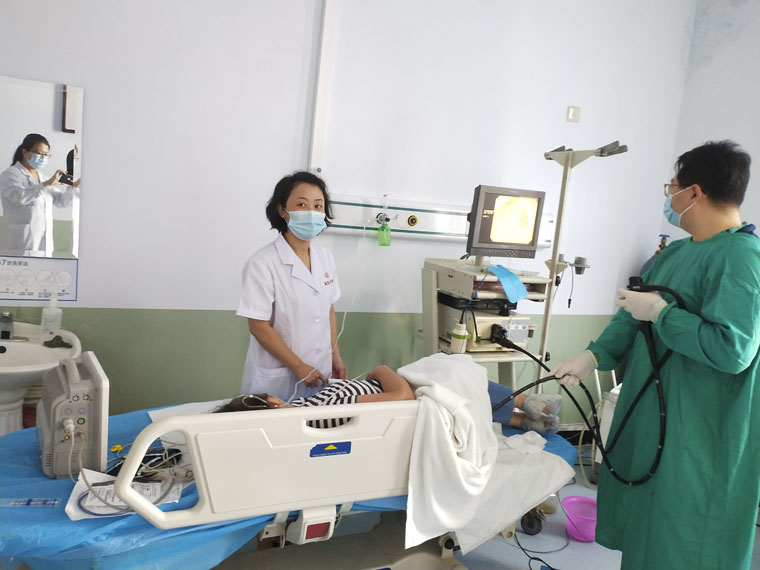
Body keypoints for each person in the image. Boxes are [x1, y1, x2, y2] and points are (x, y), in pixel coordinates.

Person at [551, 140, 760, 569]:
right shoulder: (677, 252)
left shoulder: (742, 259)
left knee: (682, 539)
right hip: (654, 415)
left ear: (695, 193)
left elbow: (733, 348)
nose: (670, 198)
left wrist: (664, 314)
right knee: (647, 528)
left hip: (701, 432)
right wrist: (593, 357)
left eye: (673, 188)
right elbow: (634, 315)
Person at [237, 171, 346, 402]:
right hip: (278, 378)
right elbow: (258, 326)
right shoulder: (262, 263)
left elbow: (328, 309)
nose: (312, 212)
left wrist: (334, 354)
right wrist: (299, 367)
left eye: (318, 206)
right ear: (282, 210)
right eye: (302, 204)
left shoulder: (325, 258)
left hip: (320, 372)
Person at [219, 363, 562, 434]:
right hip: (411, 401)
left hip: (400, 397)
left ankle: (523, 418)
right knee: (452, 370)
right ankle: (527, 404)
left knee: (453, 379)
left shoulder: (307, 406)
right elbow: (400, 395)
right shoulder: (320, 410)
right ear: (272, 402)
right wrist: (379, 371)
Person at [0, 133, 79, 256]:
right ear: (25, 152)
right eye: (39, 153)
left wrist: (73, 186)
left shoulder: (43, 178)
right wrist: (46, 184)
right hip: (19, 248)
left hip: (44, 248)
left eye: (46, 154)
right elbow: (20, 197)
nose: (43, 158)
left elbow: (62, 202)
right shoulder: (10, 174)